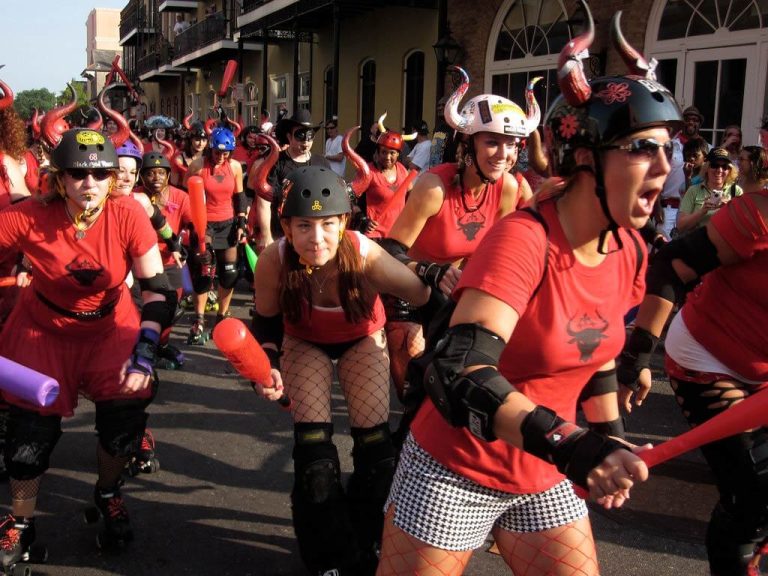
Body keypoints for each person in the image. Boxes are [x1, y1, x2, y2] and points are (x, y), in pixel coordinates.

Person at [375, 9, 684, 575]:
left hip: (543, 472)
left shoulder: (631, 249)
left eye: (668, 149)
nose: (665, 168)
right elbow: (464, 371)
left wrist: (611, 440)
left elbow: (597, 355)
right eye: (642, 149)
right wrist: (577, 447)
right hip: (458, 469)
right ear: (585, 157)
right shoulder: (523, 238)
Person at [0, 128, 177, 562]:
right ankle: (20, 520)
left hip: (108, 328)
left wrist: (146, 350)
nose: (89, 183)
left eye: (100, 173)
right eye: (77, 173)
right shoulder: (27, 216)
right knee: (28, 438)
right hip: (41, 330)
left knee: (123, 425)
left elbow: (158, 288)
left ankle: (109, 491)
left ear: (112, 177)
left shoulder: (128, 214)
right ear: (59, 179)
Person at [251, 166, 431, 575]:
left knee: (377, 454)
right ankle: (329, 559)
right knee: (315, 458)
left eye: (327, 225)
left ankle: (368, 540)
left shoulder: (365, 253)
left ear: (344, 222)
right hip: (303, 340)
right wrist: (266, 367)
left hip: (362, 338)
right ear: (285, 226)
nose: (317, 239)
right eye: (304, 226)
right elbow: (265, 323)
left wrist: (425, 341)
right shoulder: (273, 260)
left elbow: (421, 294)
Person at [617, 145, 768, 575]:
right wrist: (637, 359)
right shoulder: (757, 214)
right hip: (708, 357)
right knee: (754, 489)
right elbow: (669, 265)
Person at [380, 67, 539, 400]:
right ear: (467, 145)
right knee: (416, 380)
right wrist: (431, 271)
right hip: (410, 284)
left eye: (511, 144)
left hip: (455, 290)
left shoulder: (508, 187)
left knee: (457, 378)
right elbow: (389, 251)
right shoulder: (433, 187)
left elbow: (502, 249)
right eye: (493, 142)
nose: (504, 154)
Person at [185, 126, 246, 344]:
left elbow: (240, 196)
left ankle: (222, 315)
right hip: (205, 224)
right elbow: (188, 196)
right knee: (204, 270)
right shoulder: (198, 165)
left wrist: (242, 222)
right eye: (218, 153)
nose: (221, 157)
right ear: (211, 149)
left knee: (229, 274)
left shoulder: (235, 167)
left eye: (226, 153)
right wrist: (190, 225)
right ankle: (199, 319)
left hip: (228, 223)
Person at [252, 110, 330, 252]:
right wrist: (266, 235)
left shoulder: (322, 163)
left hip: (315, 236)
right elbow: (264, 202)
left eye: (310, 136)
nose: (306, 142)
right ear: (289, 136)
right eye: (300, 136)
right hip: (283, 232)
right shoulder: (275, 162)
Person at [357, 119, 417, 239]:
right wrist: (363, 219)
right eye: (383, 152)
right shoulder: (368, 172)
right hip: (375, 236)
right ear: (378, 152)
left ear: (398, 154)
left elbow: (411, 194)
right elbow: (350, 199)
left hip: (397, 235)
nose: (387, 157)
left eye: (392, 153)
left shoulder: (401, 170)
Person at [677, 147, 743, 235]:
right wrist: (702, 211)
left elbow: (743, 225)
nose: (719, 170)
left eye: (724, 167)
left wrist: (730, 209)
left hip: (725, 244)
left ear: (729, 170)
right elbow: (681, 227)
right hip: (699, 243)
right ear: (707, 168)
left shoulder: (736, 191)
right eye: (715, 165)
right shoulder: (693, 190)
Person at [170, 121, 207, 188]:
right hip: (184, 194)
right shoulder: (179, 159)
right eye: (197, 140)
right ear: (190, 140)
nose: (201, 144)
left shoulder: (209, 157)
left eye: (204, 140)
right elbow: (173, 185)